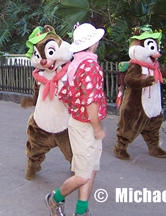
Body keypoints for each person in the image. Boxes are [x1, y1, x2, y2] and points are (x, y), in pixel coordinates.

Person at [45, 23, 107, 216]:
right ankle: (54, 198)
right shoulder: (90, 66)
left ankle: (81, 212)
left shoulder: (75, 64)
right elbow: (91, 101)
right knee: (82, 176)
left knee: (91, 169)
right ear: (93, 42)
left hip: (80, 122)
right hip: (87, 125)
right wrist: (96, 127)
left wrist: (76, 109)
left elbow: (64, 94)